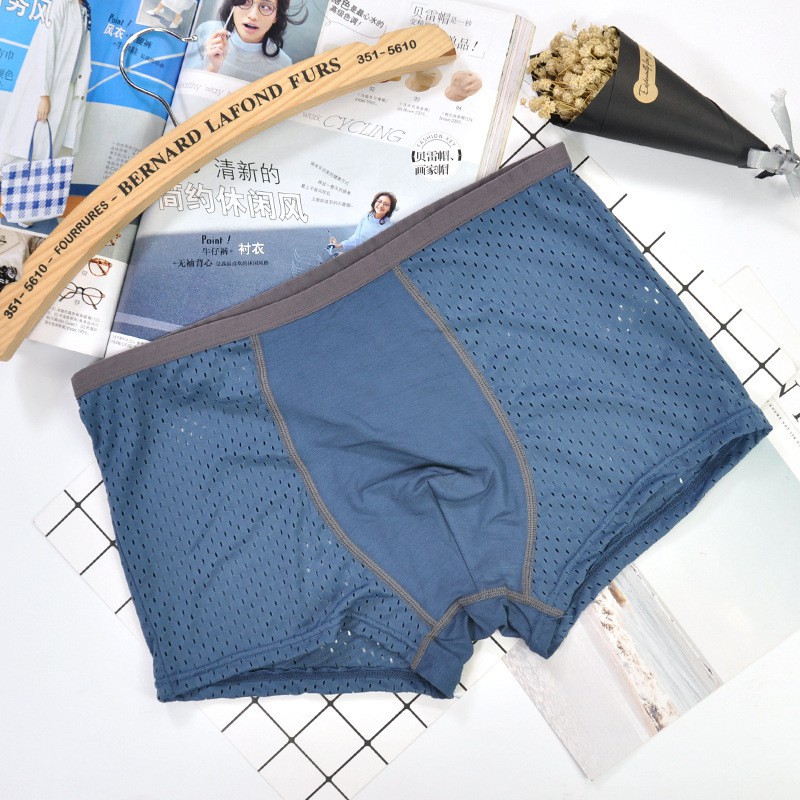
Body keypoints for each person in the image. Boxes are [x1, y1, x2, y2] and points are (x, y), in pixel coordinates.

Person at [0, 0, 92, 167]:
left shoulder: (84, 9)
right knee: (22, 148)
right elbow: (46, 48)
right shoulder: (60, 3)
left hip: (66, 90)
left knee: (46, 154)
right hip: (45, 89)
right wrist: (44, 94)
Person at [182, 0, 306, 82]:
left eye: (265, 7)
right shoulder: (206, 31)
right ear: (233, 4)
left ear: (276, 17)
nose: (253, 15)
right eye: (246, 1)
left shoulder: (283, 66)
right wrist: (211, 68)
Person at [329, 192, 397, 252]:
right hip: (359, 252)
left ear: (389, 209)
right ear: (375, 202)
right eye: (379, 201)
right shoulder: (366, 217)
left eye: (386, 204)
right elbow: (356, 238)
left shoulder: (389, 227)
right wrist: (338, 245)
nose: (381, 205)